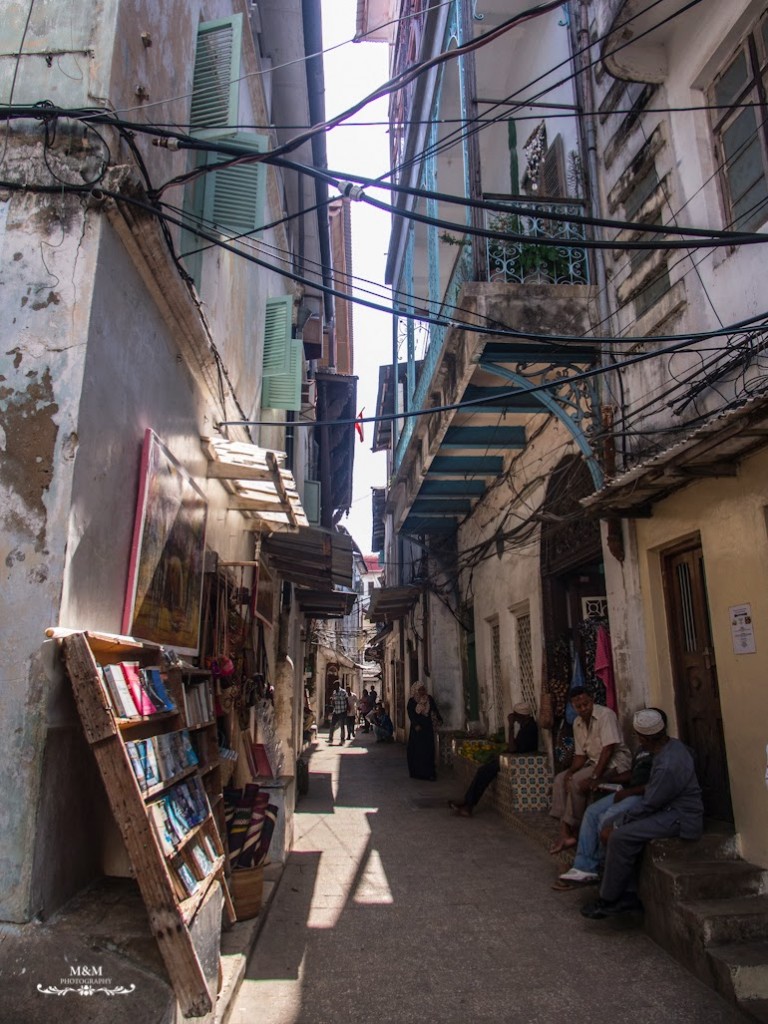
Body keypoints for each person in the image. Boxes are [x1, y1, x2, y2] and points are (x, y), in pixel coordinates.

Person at [580, 708, 703, 918]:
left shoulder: (667, 764)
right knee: (614, 825)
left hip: (679, 816)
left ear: (645, 738)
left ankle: (612, 899)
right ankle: (622, 890)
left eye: (638, 736)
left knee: (618, 835)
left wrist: (620, 824)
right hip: (668, 809)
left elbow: (650, 803)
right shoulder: (672, 747)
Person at [557, 708, 668, 887]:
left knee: (606, 819)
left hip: (642, 796)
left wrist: (626, 792)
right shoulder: (642, 751)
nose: (638, 738)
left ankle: (599, 865)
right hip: (629, 791)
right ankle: (583, 866)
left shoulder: (667, 755)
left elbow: (657, 787)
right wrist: (605, 780)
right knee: (592, 812)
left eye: (639, 735)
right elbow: (632, 775)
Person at [549, 686, 631, 855]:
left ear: (592, 700)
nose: (583, 708)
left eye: (586, 704)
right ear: (573, 706)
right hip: (593, 762)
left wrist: (595, 776)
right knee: (560, 779)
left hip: (614, 763)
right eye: (578, 706)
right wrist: (570, 771)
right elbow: (580, 756)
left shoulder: (605, 715)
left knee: (578, 782)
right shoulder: (577, 723)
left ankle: (572, 828)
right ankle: (566, 830)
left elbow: (608, 749)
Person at [449, 702, 538, 817]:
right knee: (484, 769)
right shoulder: (526, 725)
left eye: (516, 716)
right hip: (515, 757)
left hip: (520, 761)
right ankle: (467, 801)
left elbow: (512, 748)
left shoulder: (529, 728)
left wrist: (510, 726)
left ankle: (469, 805)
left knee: (483, 772)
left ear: (523, 716)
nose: (515, 718)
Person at [406, 681, 443, 780]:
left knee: (428, 750)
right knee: (418, 751)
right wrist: (416, 725)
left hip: (427, 728)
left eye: (423, 689)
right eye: (420, 689)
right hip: (417, 730)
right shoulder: (412, 701)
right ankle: (418, 773)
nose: (422, 691)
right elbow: (411, 714)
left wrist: (439, 719)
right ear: (416, 690)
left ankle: (429, 773)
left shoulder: (429, 699)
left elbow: (434, 710)